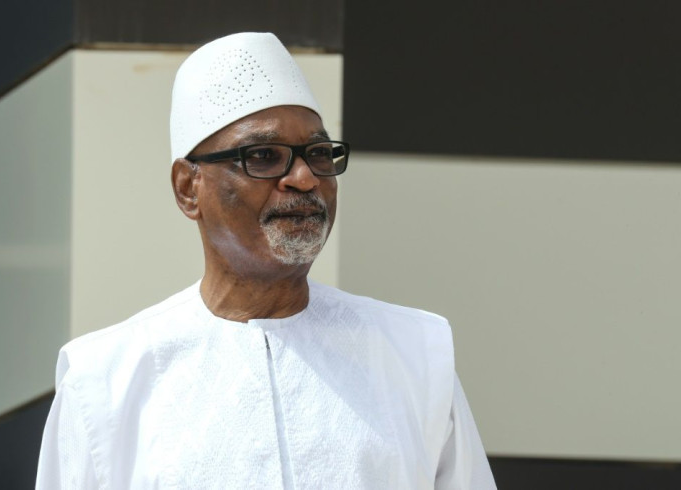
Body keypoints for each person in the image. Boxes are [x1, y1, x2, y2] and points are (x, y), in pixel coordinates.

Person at [36, 32, 497, 489]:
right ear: (187, 188)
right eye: (262, 156)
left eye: (318, 154)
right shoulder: (105, 381)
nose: (303, 178)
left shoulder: (413, 355)